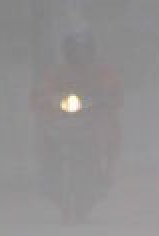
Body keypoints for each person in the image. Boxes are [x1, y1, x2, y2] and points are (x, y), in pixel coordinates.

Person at [30, 31, 122, 179]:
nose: (80, 56)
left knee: (109, 129)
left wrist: (106, 100)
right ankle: (46, 168)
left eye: (84, 51)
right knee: (44, 132)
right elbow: (43, 89)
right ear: (67, 52)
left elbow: (114, 91)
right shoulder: (58, 72)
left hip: (93, 117)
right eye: (75, 51)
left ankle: (107, 167)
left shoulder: (102, 72)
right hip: (62, 117)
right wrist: (42, 99)